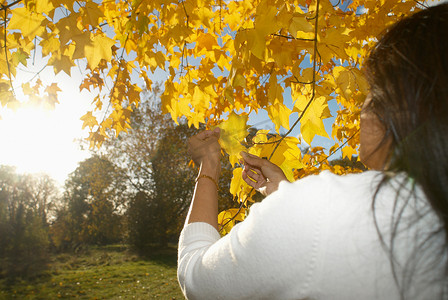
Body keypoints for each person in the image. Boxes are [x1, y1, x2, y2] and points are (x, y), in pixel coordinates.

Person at [177, 3, 448, 299]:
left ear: (404, 104)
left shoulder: (327, 208)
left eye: (371, 91)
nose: (362, 106)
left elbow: (196, 278)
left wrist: (208, 165)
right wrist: (282, 192)